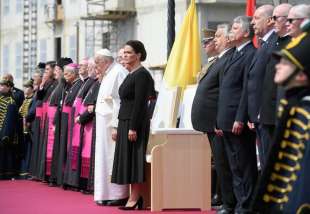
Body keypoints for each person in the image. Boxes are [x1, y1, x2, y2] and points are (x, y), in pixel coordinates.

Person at [250, 24, 310, 214]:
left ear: (301, 75)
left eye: (286, 62)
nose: (278, 66)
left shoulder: (305, 115)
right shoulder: (296, 108)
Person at [216, 16, 257, 214]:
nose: (231, 31)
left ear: (247, 33)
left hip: (236, 119)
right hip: (225, 118)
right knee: (234, 166)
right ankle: (240, 203)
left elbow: (245, 90)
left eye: (235, 27)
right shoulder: (233, 54)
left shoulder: (250, 53)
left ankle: (247, 205)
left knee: (245, 164)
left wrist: (240, 117)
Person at [111, 40, 155, 210]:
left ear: (138, 55)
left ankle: (135, 197)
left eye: (129, 53)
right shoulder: (131, 74)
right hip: (125, 121)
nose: (125, 55)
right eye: (124, 53)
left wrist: (133, 127)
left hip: (133, 123)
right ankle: (135, 196)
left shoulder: (142, 74)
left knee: (134, 161)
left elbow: (140, 103)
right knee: (127, 160)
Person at [93, 49, 129, 206]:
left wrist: (115, 125)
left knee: (113, 158)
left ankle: (118, 194)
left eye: (97, 62)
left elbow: (120, 102)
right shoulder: (108, 73)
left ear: (106, 61)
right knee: (104, 159)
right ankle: (105, 193)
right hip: (103, 123)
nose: (95, 66)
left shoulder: (118, 72)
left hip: (112, 124)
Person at [191, 28, 222, 206]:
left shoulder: (219, 62)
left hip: (215, 120)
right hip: (207, 120)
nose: (205, 45)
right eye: (203, 42)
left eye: (208, 41)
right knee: (214, 159)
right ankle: (216, 193)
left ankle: (219, 195)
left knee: (219, 160)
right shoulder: (209, 63)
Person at [259, 4, 293, 160]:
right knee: (267, 161)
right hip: (267, 114)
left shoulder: (293, 44)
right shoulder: (273, 43)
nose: (272, 22)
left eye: (275, 18)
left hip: (283, 113)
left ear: (287, 20)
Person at [248, 4, 277, 170]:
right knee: (264, 162)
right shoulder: (263, 44)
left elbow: (269, 80)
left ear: (270, 21)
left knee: (269, 163)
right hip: (258, 115)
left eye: (256, 18)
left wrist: (259, 109)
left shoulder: (274, 43)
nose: (252, 22)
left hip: (266, 113)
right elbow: (253, 80)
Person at [63, 58, 95, 189]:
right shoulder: (82, 83)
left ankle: (78, 182)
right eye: (80, 65)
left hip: (85, 121)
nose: (80, 67)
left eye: (83, 65)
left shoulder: (90, 82)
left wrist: (81, 117)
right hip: (76, 120)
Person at [57, 63, 82, 188]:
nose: (64, 76)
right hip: (66, 120)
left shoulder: (78, 85)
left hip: (71, 121)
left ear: (73, 74)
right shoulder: (70, 86)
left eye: (66, 73)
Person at [0, 79, 19, 180]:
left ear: (9, 87)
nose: (1, 87)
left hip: (4, 132)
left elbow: (9, 121)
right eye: (1, 85)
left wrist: (5, 134)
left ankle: (5, 173)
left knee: (4, 154)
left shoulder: (11, 102)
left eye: (4, 85)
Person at [19, 79, 35, 178]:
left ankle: (28, 170)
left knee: (29, 149)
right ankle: (24, 170)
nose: (25, 89)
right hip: (22, 126)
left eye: (27, 87)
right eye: (24, 87)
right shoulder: (25, 99)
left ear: (32, 88)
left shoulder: (32, 99)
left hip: (29, 127)